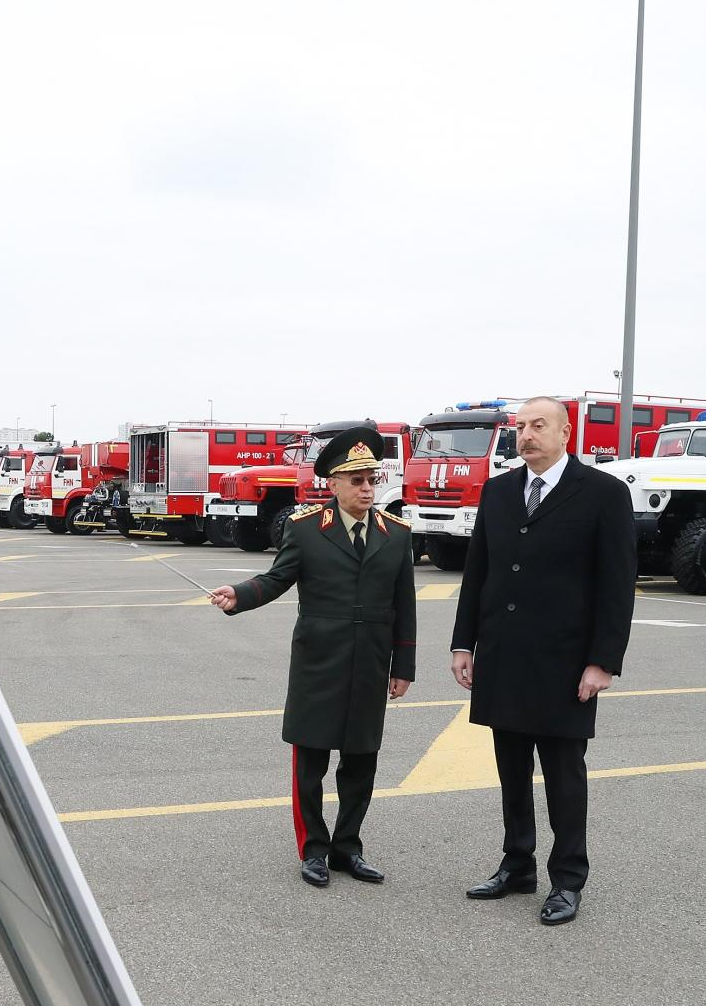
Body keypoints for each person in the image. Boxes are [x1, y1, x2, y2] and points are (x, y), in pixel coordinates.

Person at [450, 396, 636, 925]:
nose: (526, 435)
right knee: (511, 770)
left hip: (564, 664)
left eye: (538, 426)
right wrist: (464, 644)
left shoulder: (603, 494)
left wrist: (603, 663)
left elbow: (616, 587)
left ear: (565, 432)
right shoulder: (500, 491)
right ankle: (517, 865)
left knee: (563, 775)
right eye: (520, 427)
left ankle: (568, 879)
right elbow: (477, 574)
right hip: (504, 657)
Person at [210, 425, 417, 888]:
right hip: (318, 661)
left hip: (369, 662)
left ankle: (348, 847)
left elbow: (405, 603)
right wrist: (238, 596)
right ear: (334, 484)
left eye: (372, 479)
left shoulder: (397, 534)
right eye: (357, 480)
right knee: (311, 761)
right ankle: (314, 850)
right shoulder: (305, 530)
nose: (368, 488)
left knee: (362, 760)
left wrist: (402, 666)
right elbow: (276, 578)